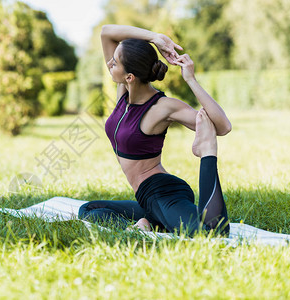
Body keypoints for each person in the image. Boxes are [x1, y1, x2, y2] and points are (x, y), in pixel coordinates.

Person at [78, 25, 232, 235]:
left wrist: (190, 79)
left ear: (130, 76)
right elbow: (107, 33)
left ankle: (206, 151)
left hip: (162, 192)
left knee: (211, 233)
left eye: (114, 62)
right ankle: (150, 222)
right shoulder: (124, 95)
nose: (109, 63)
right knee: (88, 210)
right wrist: (155, 38)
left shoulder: (162, 107)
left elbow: (223, 126)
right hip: (146, 199)